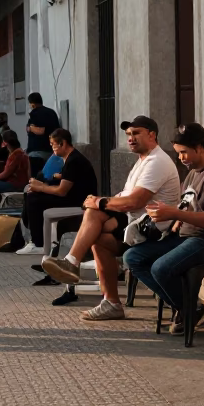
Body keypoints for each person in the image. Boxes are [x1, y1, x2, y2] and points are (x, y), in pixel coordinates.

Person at [40, 115, 180, 321]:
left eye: (136, 133)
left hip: (155, 230)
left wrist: (101, 202)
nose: (131, 138)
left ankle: (73, 262)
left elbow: (134, 202)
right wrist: (99, 201)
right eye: (128, 135)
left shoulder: (157, 161)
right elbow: (125, 198)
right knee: (96, 232)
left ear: (152, 135)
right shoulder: (143, 161)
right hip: (137, 225)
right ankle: (111, 302)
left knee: (96, 213)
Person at [123, 123, 204, 336]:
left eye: (184, 152)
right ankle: (188, 306)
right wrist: (168, 216)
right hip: (185, 236)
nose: (181, 158)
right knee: (133, 257)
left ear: (200, 147)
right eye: (179, 153)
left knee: (160, 268)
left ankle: (188, 308)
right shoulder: (193, 171)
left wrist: (175, 214)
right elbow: (186, 204)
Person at [16, 128, 97, 256]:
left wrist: (41, 187)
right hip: (73, 196)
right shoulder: (70, 158)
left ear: (62, 143)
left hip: (79, 200)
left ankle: (39, 244)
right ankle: (31, 238)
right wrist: (41, 185)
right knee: (32, 194)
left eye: (53, 144)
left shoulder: (73, 160)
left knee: (34, 199)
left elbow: (62, 191)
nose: (52, 148)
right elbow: (65, 179)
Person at [24, 92, 61, 177]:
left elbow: (40, 130)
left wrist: (30, 128)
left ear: (32, 104)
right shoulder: (52, 112)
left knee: (36, 178)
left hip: (37, 152)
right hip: (51, 151)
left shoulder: (35, 113)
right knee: (48, 177)